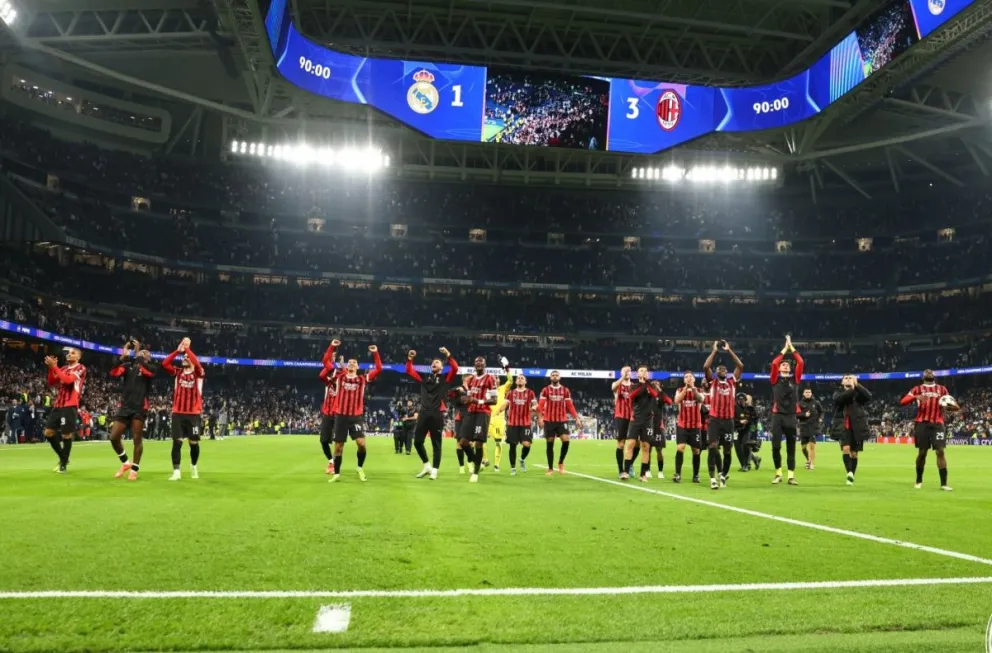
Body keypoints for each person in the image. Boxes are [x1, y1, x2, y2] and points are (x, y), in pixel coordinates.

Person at [328, 344, 383, 483]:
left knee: (361, 444)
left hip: (355, 417)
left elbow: (379, 368)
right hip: (341, 416)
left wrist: (375, 353)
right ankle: (337, 473)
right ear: (347, 366)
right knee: (338, 447)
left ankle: (359, 468)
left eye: (354, 363)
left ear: (358, 367)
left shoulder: (363, 379)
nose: (352, 364)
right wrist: (331, 351)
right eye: (350, 362)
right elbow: (327, 367)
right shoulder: (340, 377)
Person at [108, 339, 158, 481]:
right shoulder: (128, 366)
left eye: (146, 353)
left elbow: (148, 370)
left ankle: (134, 469)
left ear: (148, 358)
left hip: (139, 407)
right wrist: (123, 355)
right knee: (114, 437)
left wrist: (137, 354)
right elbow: (113, 372)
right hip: (125, 407)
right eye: (143, 352)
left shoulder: (150, 368)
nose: (144, 353)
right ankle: (125, 463)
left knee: (137, 439)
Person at [900, 370, 958, 491]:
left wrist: (951, 407)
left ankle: (944, 484)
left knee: (940, 451)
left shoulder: (942, 389)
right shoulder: (917, 389)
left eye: (931, 372)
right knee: (922, 453)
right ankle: (918, 480)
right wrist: (915, 397)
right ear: (923, 377)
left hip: (938, 424)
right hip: (922, 423)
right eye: (926, 372)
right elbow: (903, 401)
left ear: (934, 376)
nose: (929, 372)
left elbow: (955, 406)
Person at [406, 346, 459, 480]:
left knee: (436, 443)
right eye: (433, 362)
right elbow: (409, 370)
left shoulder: (445, 379)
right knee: (418, 442)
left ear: (442, 367)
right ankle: (427, 466)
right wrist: (410, 359)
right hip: (423, 413)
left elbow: (455, 368)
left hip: (436, 414)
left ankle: (435, 470)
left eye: (437, 362)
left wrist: (448, 354)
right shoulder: (424, 377)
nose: (434, 363)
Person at [161, 338, 205, 481]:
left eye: (187, 357)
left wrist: (187, 349)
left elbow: (197, 363)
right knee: (177, 442)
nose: (185, 358)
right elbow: (164, 363)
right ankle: (176, 471)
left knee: (193, 443)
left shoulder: (198, 373)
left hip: (193, 414)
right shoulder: (177, 372)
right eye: (184, 357)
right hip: (178, 414)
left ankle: (193, 466)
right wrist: (177, 351)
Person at [703, 340, 744, 490]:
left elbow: (740, 366)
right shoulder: (712, 382)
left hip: (728, 422)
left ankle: (722, 475)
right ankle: (712, 478)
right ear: (716, 372)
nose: (723, 370)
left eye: (725, 369)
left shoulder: (732, 382)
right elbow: (706, 366)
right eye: (720, 369)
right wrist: (714, 351)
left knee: (727, 450)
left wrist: (729, 350)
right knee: (713, 447)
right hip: (714, 420)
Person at [43, 347, 87, 474]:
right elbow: (51, 382)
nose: (69, 354)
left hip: (70, 404)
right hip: (58, 405)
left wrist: (55, 367)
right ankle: (64, 458)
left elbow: (68, 381)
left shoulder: (81, 368)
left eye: (73, 353)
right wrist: (52, 368)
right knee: (48, 433)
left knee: (66, 435)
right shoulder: (63, 369)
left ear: (78, 357)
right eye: (68, 352)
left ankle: (63, 464)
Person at [769, 335, 804, 485]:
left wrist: (792, 348)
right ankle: (778, 473)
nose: (785, 366)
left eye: (787, 365)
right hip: (777, 416)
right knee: (776, 446)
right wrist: (785, 348)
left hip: (790, 416)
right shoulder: (774, 379)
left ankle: (791, 476)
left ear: (790, 369)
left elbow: (800, 362)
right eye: (783, 365)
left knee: (791, 447)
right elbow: (774, 363)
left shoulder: (795, 380)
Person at [830, 375, 872, 485]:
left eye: (850, 377)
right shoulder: (838, 393)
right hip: (843, 425)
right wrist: (852, 389)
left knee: (854, 453)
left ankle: (851, 475)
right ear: (842, 382)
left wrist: (857, 385)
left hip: (857, 426)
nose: (848, 379)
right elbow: (840, 399)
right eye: (846, 378)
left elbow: (868, 396)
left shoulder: (858, 392)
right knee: (846, 449)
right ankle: (849, 472)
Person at [538, 370, 582, 476]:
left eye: (556, 375)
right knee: (550, 443)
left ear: (559, 377)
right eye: (553, 375)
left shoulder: (565, 390)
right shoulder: (546, 390)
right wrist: (540, 418)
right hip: (549, 420)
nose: (554, 376)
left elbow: (569, 405)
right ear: (550, 378)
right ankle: (550, 468)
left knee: (566, 440)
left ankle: (561, 462)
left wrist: (576, 418)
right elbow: (541, 405)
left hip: (562, 420)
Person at [461, 357, 498, 483]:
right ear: (474, 365)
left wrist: (478, 401)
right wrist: (466, 399)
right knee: (463, 442)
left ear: (485, 365)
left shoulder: (490, 379)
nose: (478, 364)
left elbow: (494, 400)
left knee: (478, 443)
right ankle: (478, 462)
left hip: (483, 413)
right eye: (476, 362)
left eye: (481, 362)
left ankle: (475, 472)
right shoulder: (471, 380)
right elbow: (470, 396)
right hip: (471, 412)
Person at [622, 366, 658, 481]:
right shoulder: (633, 386)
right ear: (637, 374)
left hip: (648, 420)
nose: (644, 372)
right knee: (631, 444)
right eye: (641, 371)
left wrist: (646, 383)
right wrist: (642, 385)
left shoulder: (652, 386)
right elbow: (632, 396)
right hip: (636, 419)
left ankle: (643, 474)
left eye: (646, 371)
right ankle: (626, 472)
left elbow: (654, 394)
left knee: (646, 447)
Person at [318, 339, 344, 474]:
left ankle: (336, 464)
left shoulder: (343, 377)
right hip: (328, 413)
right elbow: (324, 364)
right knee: (323, 441)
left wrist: (340, 366)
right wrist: (332, 347)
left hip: (340, 413)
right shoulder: (329, 380)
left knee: (339, 442)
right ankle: (331, 461)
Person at [673, 372, 704, 484]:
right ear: (684, 380)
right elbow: (676, 400)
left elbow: (700, 399)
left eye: (690, 377)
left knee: (696, 451)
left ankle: (696, 475)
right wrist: (686, 389)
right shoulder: (680, 389)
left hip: (695, 425)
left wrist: (693, 389)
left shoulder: (699, 390)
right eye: (686, 377)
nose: (688, 378)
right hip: (683, 425)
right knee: (680, 448)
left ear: (694, 379)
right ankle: (677, 474)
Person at [505, 374, 537, 476]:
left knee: (527, 444)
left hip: (525, 423)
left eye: (522, 378)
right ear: (516, 382)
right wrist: (497, 411)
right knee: (512, 445)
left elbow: (535, 404)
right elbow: (505, 404)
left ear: (525, 382)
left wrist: (534, 408)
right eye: (518, 378)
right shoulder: (510, 393)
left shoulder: (530, 393)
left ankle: (522, 459)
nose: (520, 379)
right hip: (512, 423)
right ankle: (513, 468)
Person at [486, 358, 513, 471]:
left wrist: (507, 368)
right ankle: (484, 459)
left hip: (499, 419)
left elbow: (511, 381)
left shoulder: (502, 389)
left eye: (496, 378)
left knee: (498, 442)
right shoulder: (485, 390)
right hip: (486, 417)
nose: (494, 379)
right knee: (480, 439)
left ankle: (496, 464)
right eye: (492, 378)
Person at [646, 380, 673, 479]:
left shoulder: (661, 397)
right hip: (648, 425)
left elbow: (670, 402)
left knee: (659, 450)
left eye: (657, 384)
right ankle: (647, 470)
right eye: (654, 384)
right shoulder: (647, 396)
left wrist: (661, 391)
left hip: (658, 427)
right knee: (647, 449)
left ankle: (660, 471)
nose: (656, 385)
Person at [447, 374, 473, 473]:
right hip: (460, 417)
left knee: (470, 442)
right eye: (471, 378)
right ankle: (461, 466)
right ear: (465, 379)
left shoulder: (473, 389)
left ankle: (470, 463)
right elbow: (449, 394)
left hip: (471, 417)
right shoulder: (458, 389)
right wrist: (457, 391)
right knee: (459, 443)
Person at [612, 366, 633, 477]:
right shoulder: (617, 384)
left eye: (629, 371)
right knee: (621, 443)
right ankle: (621, 471)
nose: (627, 372)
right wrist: (622, 378)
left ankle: (629, 465)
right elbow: (613, 389)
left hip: (633, 418)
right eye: (624, 371)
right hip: (621, 417)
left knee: (634, 444)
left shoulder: (634, 386)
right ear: (621, 373)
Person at [798, 387, 823, 471]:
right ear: (803, 394)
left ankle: (812, 464)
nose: (808, 393)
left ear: (811, 393)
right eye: (806, 392)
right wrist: (804, 415)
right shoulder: (800, 403)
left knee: (812, 446)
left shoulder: (816, 402)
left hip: (813, 427)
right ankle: (808, 460)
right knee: (803, 447)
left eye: (809, 392)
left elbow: (821, 412)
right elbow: (796, 414)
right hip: (803, 427)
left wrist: (820, 418)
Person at [734, 392, 758, 472]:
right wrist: (740, 422)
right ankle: (744, 464)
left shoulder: (750, 408)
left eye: (743, 400)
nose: (741, 401)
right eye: (739, 400)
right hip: (736, 430)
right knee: (738, 448)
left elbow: (755, 418)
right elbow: (731, 419)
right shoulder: (734, 408)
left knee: (745, 445)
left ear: (745, 400)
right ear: (737, 400)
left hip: (746, 430)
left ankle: (746, 465)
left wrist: (749, 421)